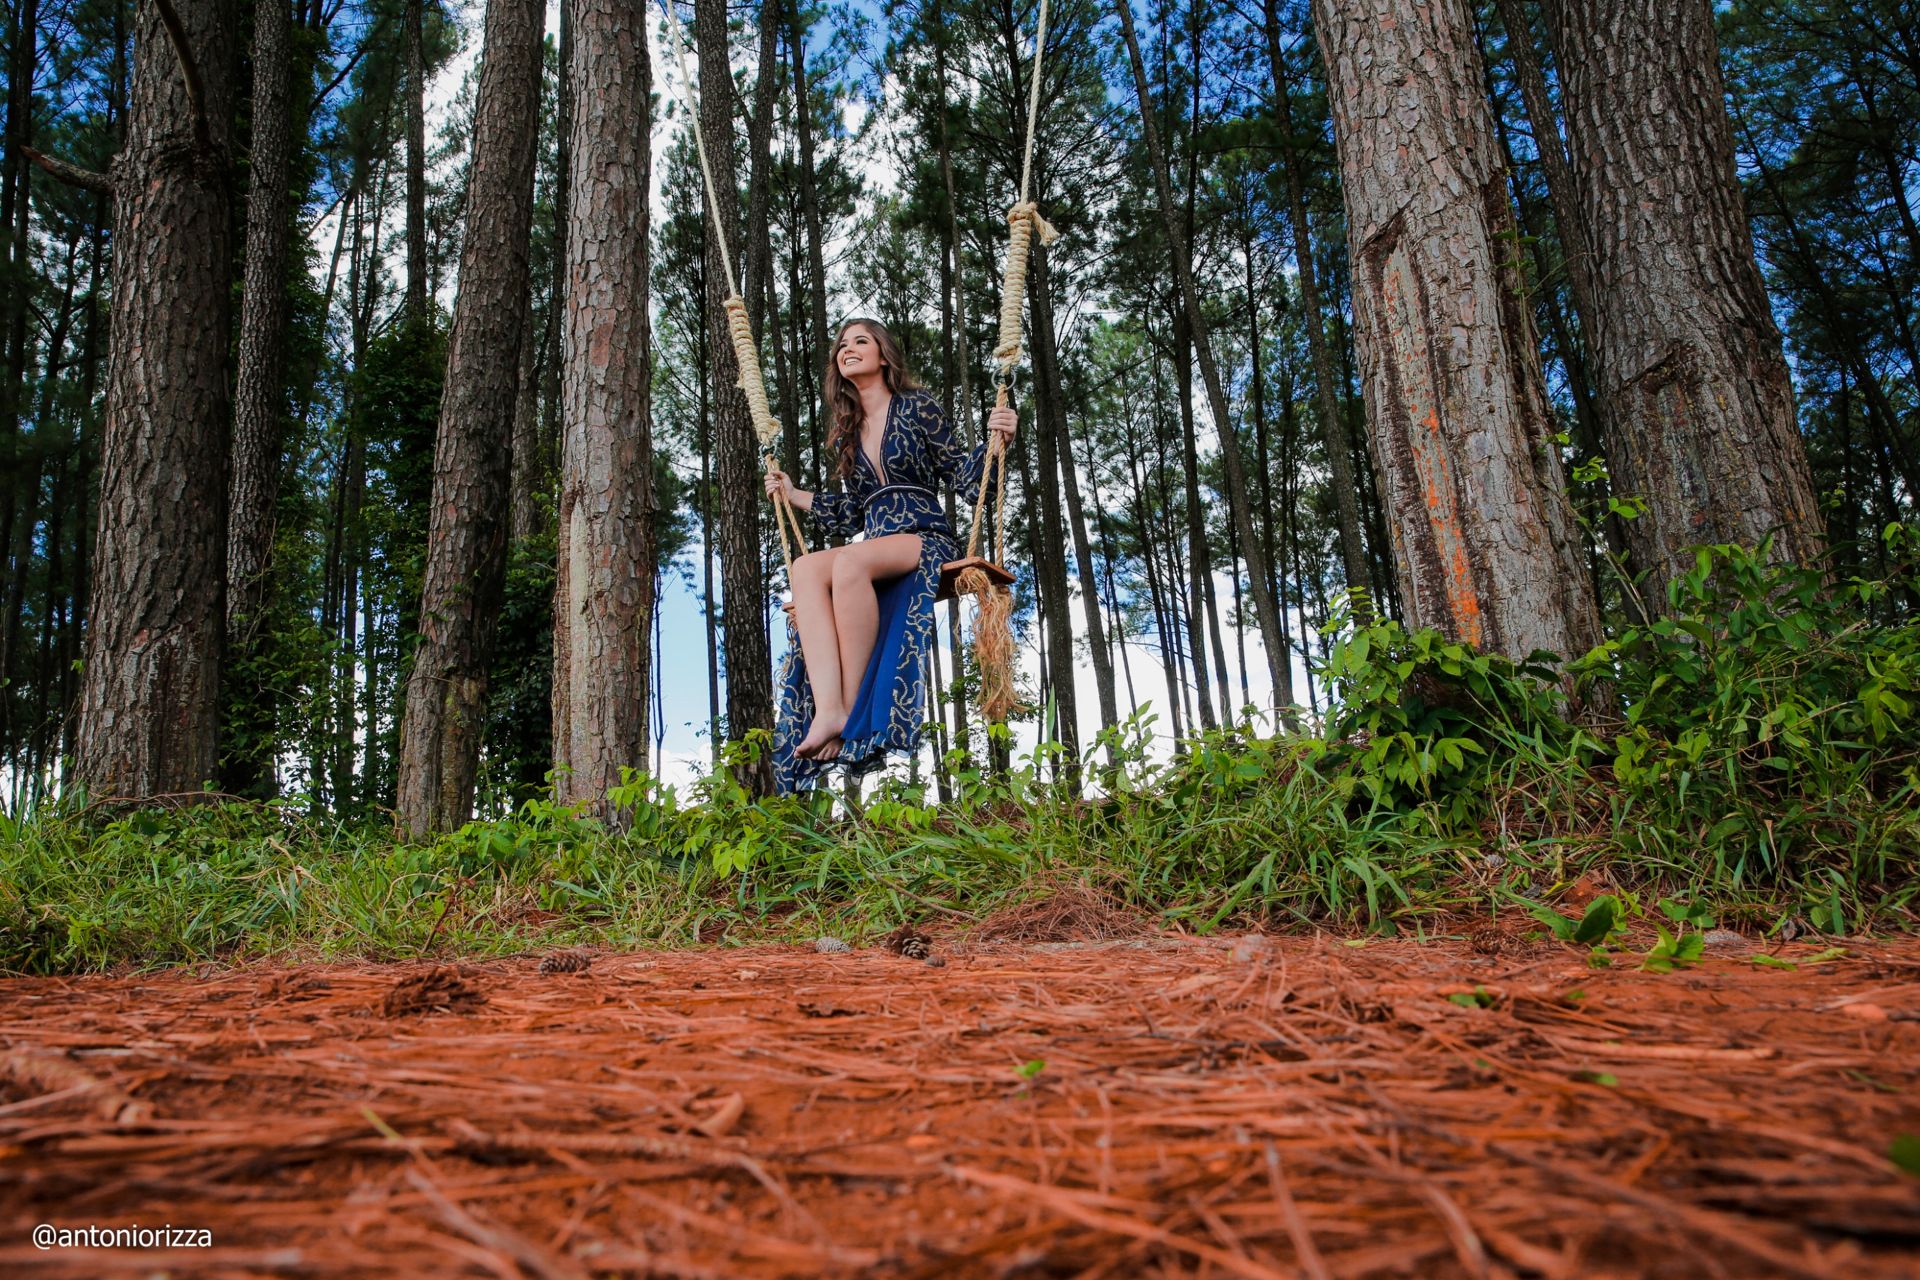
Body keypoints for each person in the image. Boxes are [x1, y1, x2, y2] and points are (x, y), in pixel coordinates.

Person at [763, 318, 1017, 794]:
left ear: (883, 356)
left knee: (849, 562)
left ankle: (856, 710)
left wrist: (998, 440)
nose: (848, 349)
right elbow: (852, 512)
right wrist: (794, 495)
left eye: (861, 341)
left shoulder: (916, 406)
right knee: (804, 569)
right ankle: (831, 708)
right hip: (876, 540)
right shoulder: (847, 430)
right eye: (842, 344)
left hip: (923, 534)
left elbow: (963, 475)